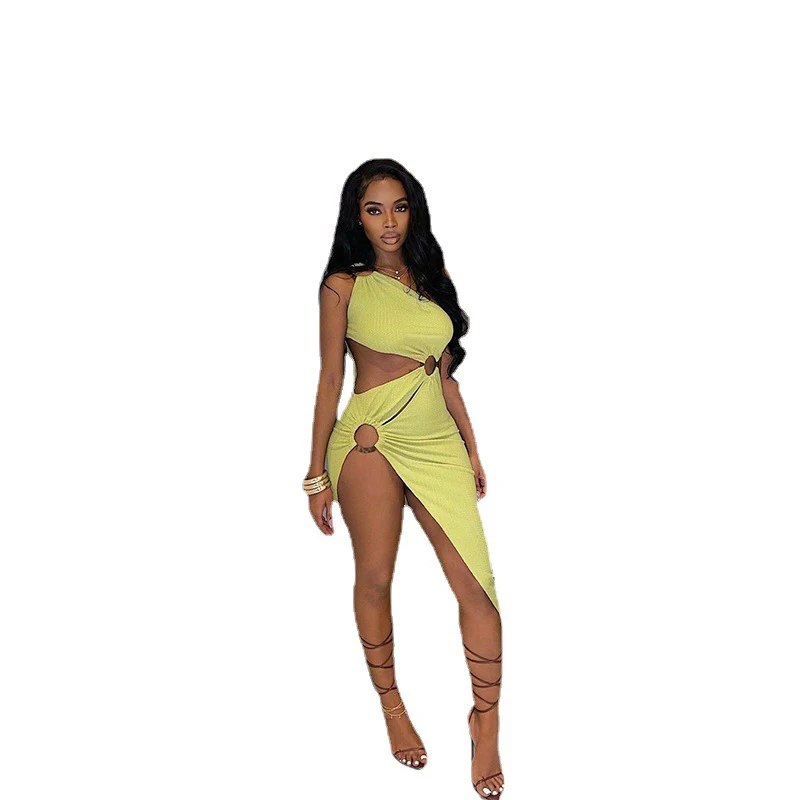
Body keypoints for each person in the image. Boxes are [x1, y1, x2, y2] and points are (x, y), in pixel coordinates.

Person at [303, 158, 504, 797]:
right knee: (376, 576)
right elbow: (330, 380)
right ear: (356, 218)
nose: (389, 222)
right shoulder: (343, 286)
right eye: (374, 210)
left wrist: (472, 450)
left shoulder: (432, 278)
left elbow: (444, 376)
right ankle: (392, 706)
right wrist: (315, 472)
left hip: (437, 442)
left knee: (478, 591)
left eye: (399, 207)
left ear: (413, 211)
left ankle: (486, 721)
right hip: (372, 440)